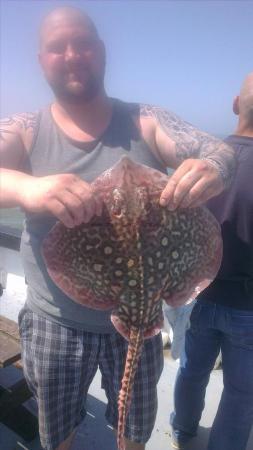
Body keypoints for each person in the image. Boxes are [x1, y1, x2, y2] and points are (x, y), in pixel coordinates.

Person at [0, 6, 236, 450]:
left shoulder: (146, 119)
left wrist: (216, 165)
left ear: (102, 51)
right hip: (54, 323)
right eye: (57, 46)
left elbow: (215, 147)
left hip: (145, 320)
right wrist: (28, 188)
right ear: (41, 59)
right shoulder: (27, 130)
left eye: (83, 43)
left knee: (133, 431)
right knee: (57, 433)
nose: (72, 55)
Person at [170, 72, 253, 450]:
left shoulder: (202, 161)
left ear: (235, 105)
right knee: (240, 392)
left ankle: (182, 431)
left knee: (191, 372)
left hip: (200, 294)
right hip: (248, 306)